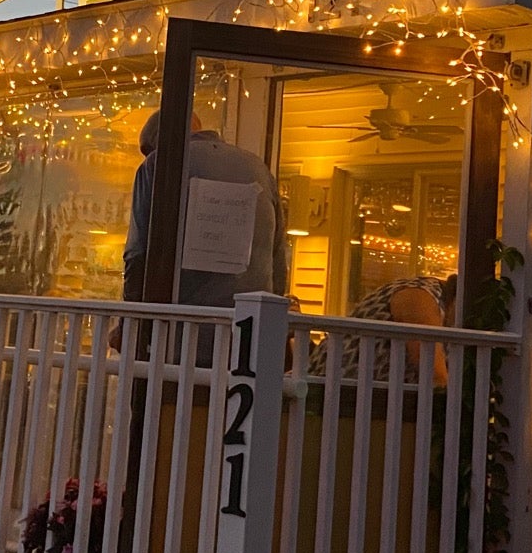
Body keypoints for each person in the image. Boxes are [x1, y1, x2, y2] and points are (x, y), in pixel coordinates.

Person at [122, 110, 288, 307]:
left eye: (148, 150)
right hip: (249, 321)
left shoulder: (160, 163)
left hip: (183, 321)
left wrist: (131, 318)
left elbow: (137, 252)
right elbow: (277, 259)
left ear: (161, 138)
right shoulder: (258, 168)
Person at [309, 273, 458, 385]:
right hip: (329, 392)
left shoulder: (445, 318)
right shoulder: (421, 296)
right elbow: (434, 374)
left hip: (364, 397)